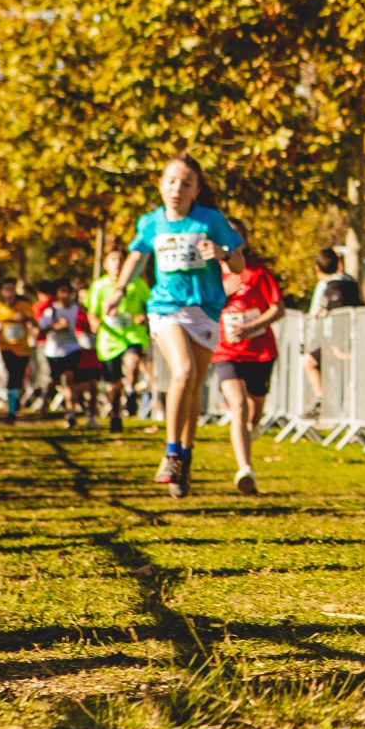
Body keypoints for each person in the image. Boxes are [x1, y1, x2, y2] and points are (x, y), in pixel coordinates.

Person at [117, 155, 246, 498]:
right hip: (166, 308)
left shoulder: (210, 220)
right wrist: (118, 290)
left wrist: (220, 252)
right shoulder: (151, 223)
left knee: (194, 389)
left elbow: (239, 261)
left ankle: (184, 461)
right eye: (171, 181)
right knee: (183, 372)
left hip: (204, 310)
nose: (177, 189)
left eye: (186, 183)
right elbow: (136, 256)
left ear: (197, 189)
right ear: (160, 184)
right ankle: (171, 451)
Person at [209, 251, 285, 495]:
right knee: (238, 405)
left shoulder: (257, 272)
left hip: (260, 351)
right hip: (225, 351)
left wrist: (251, 326)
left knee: (254, 411)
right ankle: (245, 469)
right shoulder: (210, 274)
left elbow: (278, 308)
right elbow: (199, 309)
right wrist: (221, 294)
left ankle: (249, 430)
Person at [89, 246, 152, 431]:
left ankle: (131, 391)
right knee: (113, 385)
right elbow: (92, 312)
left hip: (132, 335)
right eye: (113, 260)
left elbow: (150, 305)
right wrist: (95, 323)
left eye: (120, 260)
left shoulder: (137, 284)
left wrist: (144, 317)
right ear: (105, 264)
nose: (117, 265)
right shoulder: (99, 286)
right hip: (109, 340)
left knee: (132, 364)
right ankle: (116, 414)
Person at [300, 246, 362, 414]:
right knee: (342, 372)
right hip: (351, 335)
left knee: (309, 362)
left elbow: (316, 312)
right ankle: (337, 405)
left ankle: (324, 400)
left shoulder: (326, 285)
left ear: (317, 268)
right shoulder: (351, 282)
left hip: (331, 337)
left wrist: (313, 335)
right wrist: (342, 251)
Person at [39, 280, 101, 430]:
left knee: (71, 379)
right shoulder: (50, 311)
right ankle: (47, 397)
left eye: (68, 291)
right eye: (62, 291)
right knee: (56, 381)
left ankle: (73, 413)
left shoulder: (76, 309)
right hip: (53, 351)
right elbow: (40, 330)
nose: (65, 294)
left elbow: (90, 321)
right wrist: (56, 326)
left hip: (74, 349)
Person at [0, 279, 36, 423]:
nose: (9, 293)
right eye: (6, 289)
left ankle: (15, 400)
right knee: (12, 375)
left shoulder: (24, 305)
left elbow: (33, 321)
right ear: (1, 292)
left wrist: (25, 317)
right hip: (6, 347)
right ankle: (11, 411)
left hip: (23, 348)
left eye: (12, 289)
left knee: (19, 377)